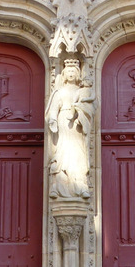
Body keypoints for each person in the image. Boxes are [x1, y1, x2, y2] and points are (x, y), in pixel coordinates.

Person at [46, 58, 94, 199]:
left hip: (77, 123)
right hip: (64, 122)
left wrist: (81, 111)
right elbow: (54, 108)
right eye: (68, 71)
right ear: (64, 74)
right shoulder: (59, 92)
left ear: (78, 74)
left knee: (78, 153)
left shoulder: (82, 91)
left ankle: (80, 185)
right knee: (62, 151)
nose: (71, 73)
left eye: (74, 71)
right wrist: (53, 119)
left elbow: (91, 105)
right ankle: (57, 186)